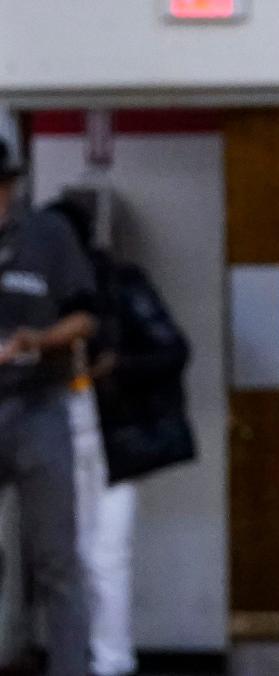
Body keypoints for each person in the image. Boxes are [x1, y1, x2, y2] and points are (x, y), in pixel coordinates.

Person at [43, 194, 192, 676]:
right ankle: (82, 658)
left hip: (111, 436)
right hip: (53, 433)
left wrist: (115, 368)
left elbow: (172, 349)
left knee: (105, 555)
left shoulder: (118, 283)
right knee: (69, 558)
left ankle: (110, 662)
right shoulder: (42, 287)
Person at [0, 138, 94, 675]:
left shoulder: (47, 236)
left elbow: (87, 317)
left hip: (39, 402)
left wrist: (38, 339)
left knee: (56, 557)